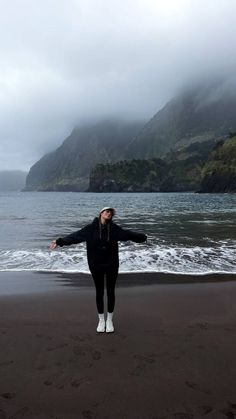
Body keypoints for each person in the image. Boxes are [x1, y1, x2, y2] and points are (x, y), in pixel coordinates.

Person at [49, 207, 147, 333]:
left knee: (110, 291)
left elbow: (128, 234)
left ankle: (110, 320)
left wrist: (143, 237)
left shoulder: (114, 229)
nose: (109, 213)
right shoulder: (90, 229)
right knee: (99, 291)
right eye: (107, 211)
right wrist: (59, 241)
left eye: (111, 213)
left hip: (111, 264)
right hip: (96, 264)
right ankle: (101, 320)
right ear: (101, 213)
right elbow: (75, 237)